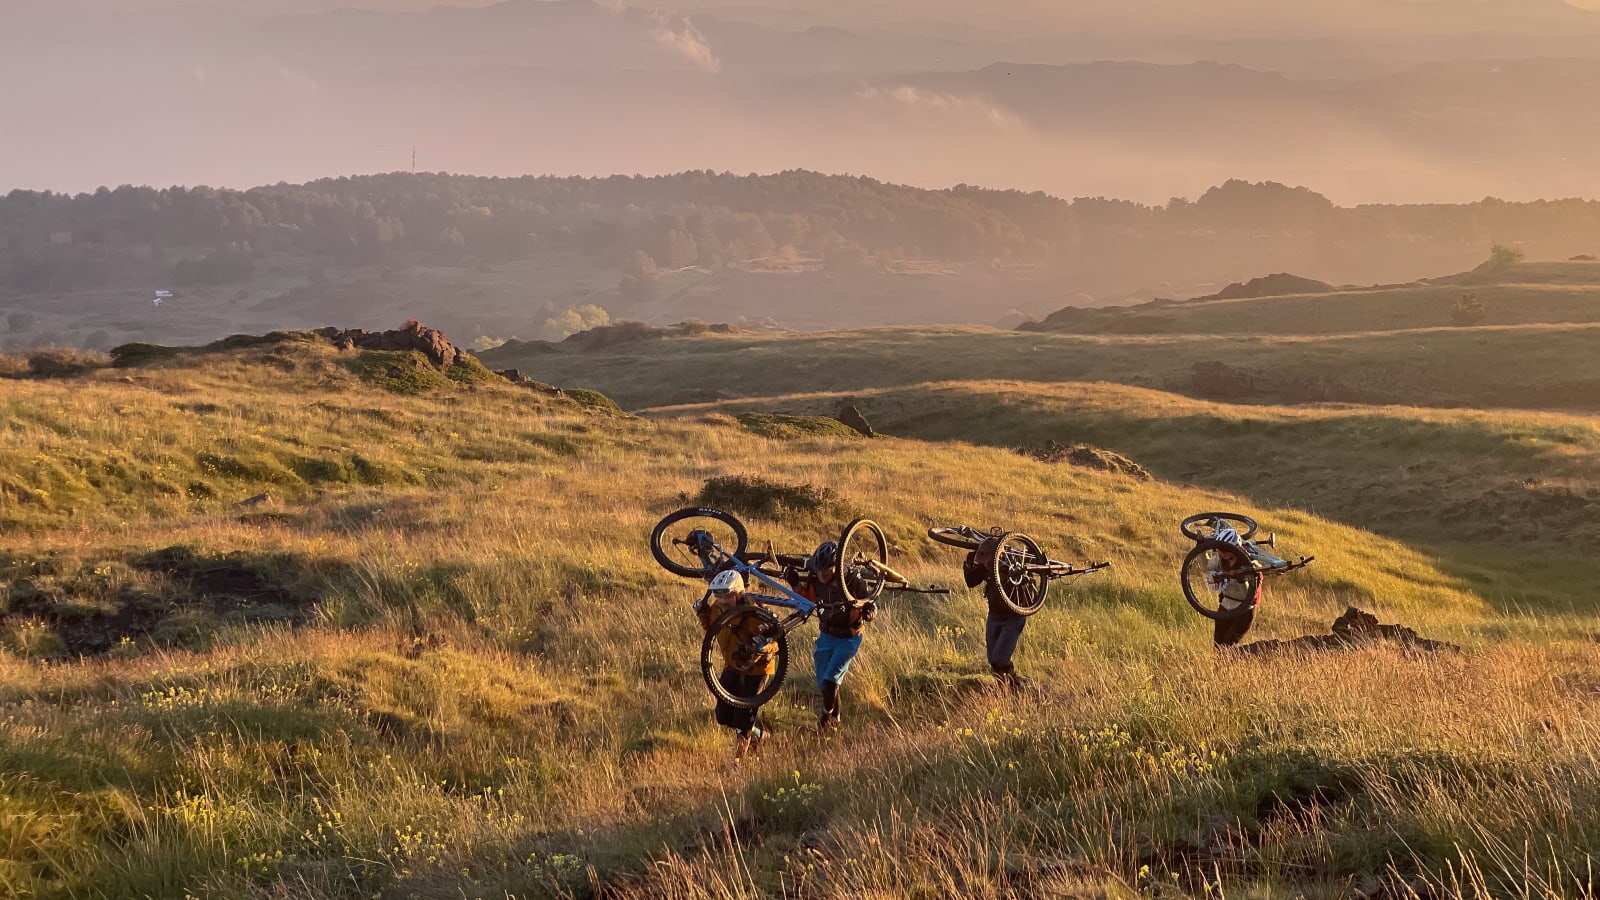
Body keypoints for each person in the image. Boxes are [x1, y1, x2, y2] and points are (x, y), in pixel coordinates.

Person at [790, 541, 873, 732]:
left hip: (849, 637)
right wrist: (795, 584)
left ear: (836, 566)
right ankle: (836, 718)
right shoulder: (816, 577)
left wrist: (869, 611)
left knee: (831, 680)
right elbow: (808, 599)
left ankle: (825, 719)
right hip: (826, 635)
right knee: (824, 683)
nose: (821, 575)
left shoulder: (853, 580)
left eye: (826, 572)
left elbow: (868, 601)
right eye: (819, 572)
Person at [694, 568, 774, 760]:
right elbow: (712, 629)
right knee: (723, 716)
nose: (723, 601)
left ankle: (738, 762)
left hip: (756, 671)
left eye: (728, 596)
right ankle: (759, 735)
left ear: (739, 593)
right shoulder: (717, 609)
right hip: (731, 666)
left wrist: (765, 648)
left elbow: (776, 641)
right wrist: (703, 615)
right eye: (719, 596)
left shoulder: (756, 613)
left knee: (743, 720)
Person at [964, 539, 1028, 690]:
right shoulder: (984, 565)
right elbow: (971, 582)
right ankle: (1007, 688)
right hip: (995, 615)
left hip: (1014, 616)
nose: (986, 565)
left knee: (999, 658)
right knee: (993, 661)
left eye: (988, 563)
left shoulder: (1011, 566)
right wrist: (972, 564)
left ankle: (1015, 686)